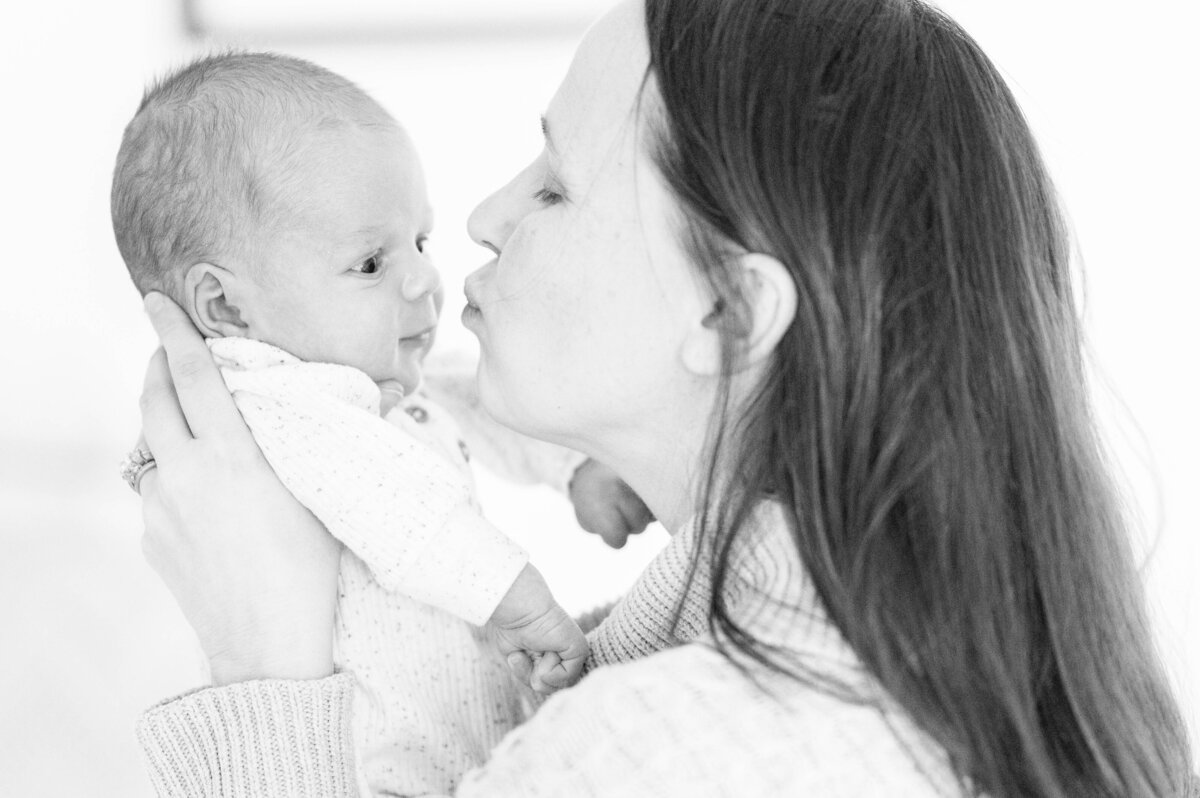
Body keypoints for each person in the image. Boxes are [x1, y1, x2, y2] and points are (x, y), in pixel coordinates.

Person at [130, 0, 1197, 796]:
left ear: (728, 315)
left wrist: (263, 669)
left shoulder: (648, 758)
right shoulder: (847, 666)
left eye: (555, 183)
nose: (485, 220)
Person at [111, 52, 614, 796]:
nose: (423, 276)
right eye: (371, 263)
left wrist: (575, 464)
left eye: (419, 241)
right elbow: (400, 507)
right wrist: (522, 605)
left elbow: (465, 395)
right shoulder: (267, 409)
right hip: (364, 768)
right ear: (224, 308)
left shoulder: (355, 385)